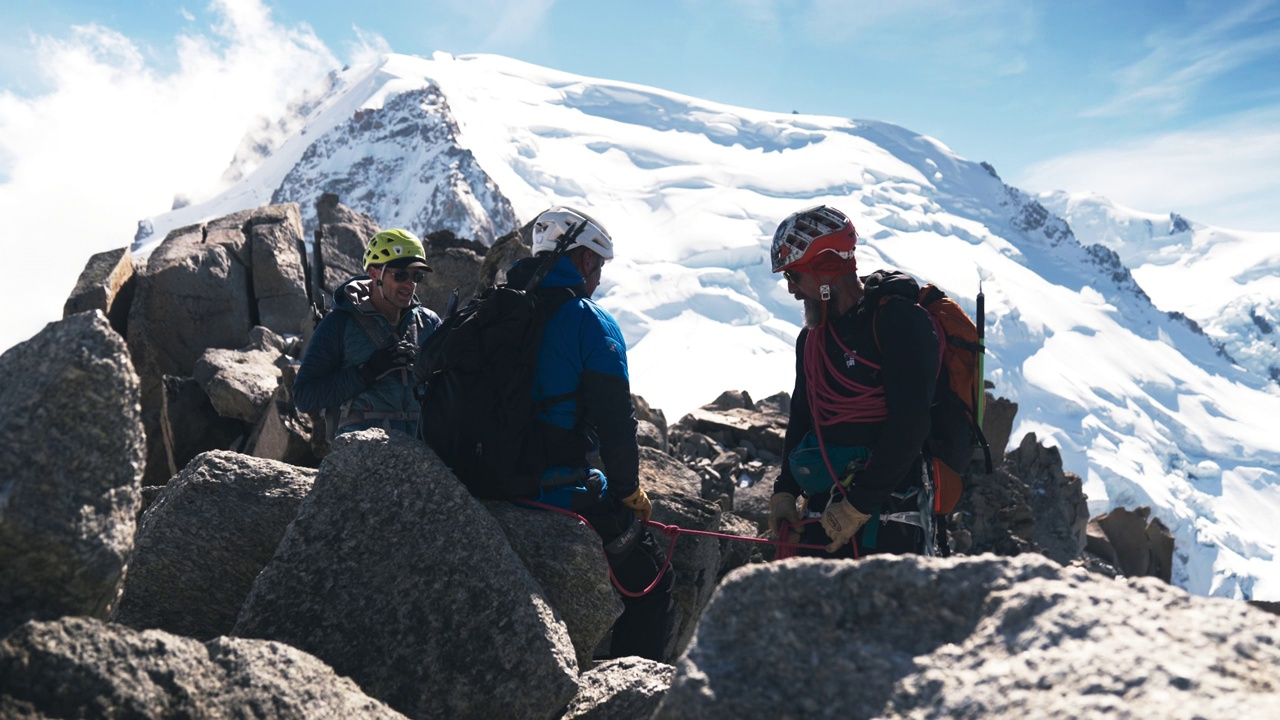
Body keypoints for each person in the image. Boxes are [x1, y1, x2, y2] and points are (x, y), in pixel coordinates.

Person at [505, 206, 672, 662]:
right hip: (552, 488)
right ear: (583, 261)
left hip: (484, 477)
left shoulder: (497, 309)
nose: (598, 279)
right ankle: (635, 697)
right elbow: (617, 426)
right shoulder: (590, 321)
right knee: (652, 579)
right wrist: (628, 493)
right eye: (597, 266)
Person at [766, 205, 940, 557]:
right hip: (825, 512)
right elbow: (803, 416)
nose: (791, 291)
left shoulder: (897, 322)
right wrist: (785, 491)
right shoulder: (812, 339)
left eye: (794, 277)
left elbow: (910, 424)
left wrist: (857, 505)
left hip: (889, 518)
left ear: (826, 269)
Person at [294, 228, 441, 439]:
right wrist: (367, 372)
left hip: (423, 451)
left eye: (416, 276)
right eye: (400, 275)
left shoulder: (428, 323)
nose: (410, 285)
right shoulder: (339, 322)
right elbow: (305, 397)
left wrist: (425, 367)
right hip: (362, 453)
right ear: (374, 274)